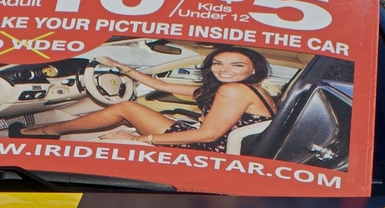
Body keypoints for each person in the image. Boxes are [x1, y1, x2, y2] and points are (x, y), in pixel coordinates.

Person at [15, 47, 273, 144]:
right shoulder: (249, 89)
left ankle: (45, 131)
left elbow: (208, 134)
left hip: (207, 148)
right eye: (218, 63)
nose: (224, 70)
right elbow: (161, 84)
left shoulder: (232, 90)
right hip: (218, 145)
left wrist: (143, 138)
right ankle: (48, 131)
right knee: (129, 110)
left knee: (126, 108)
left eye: (236, 65)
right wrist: (123, 68)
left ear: (253, 69)